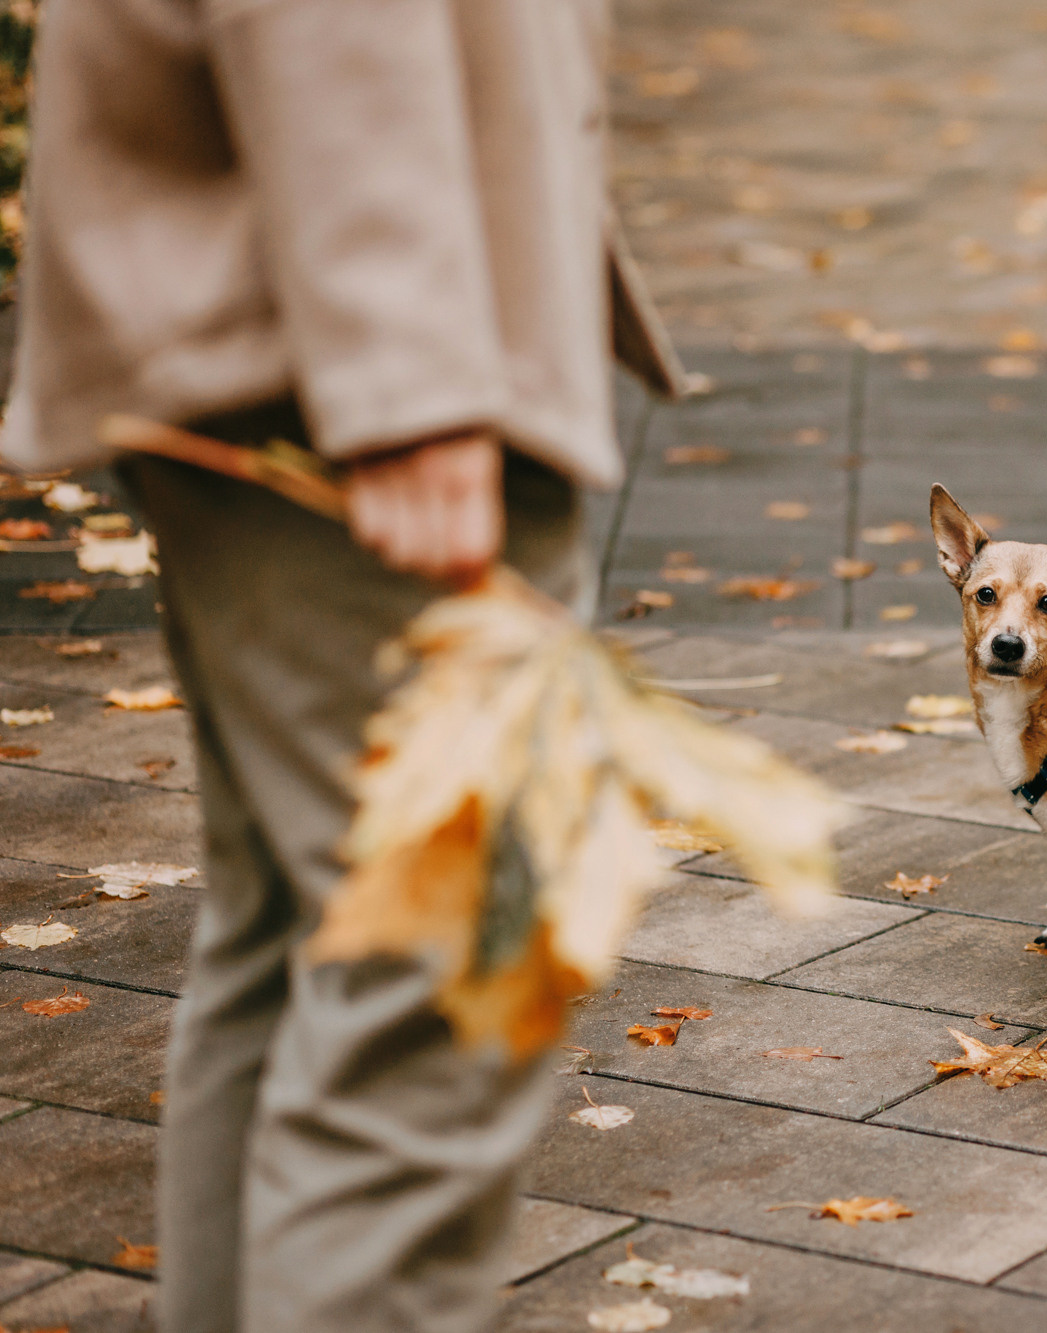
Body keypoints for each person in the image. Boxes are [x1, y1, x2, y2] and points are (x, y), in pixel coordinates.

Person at [2, 2, 677, 1330]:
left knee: (308, 945)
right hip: (344, 336)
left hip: (282, 303)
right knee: (436, 983)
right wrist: (404, 369)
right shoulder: (387, 365)